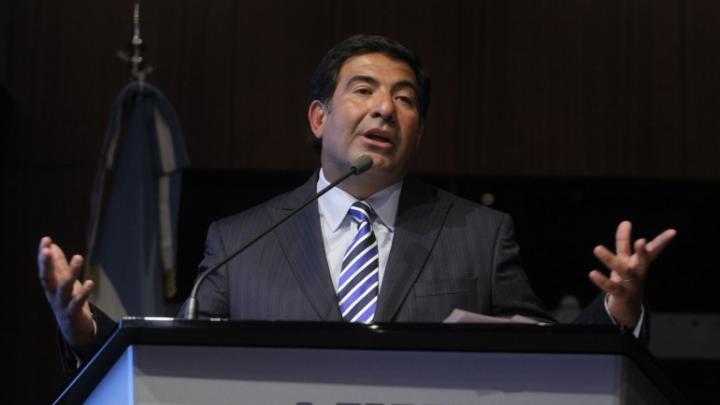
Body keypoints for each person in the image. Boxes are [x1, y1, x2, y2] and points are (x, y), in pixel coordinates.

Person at [37, 35, 676, 366]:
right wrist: (86, 333)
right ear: (319, 118)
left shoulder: (479, 234)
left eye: (404, 98)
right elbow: (176, 359)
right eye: (364, 90)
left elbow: (545, 360)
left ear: (418, 131)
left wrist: (616, 312)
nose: (384, 108)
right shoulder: (241, 240)